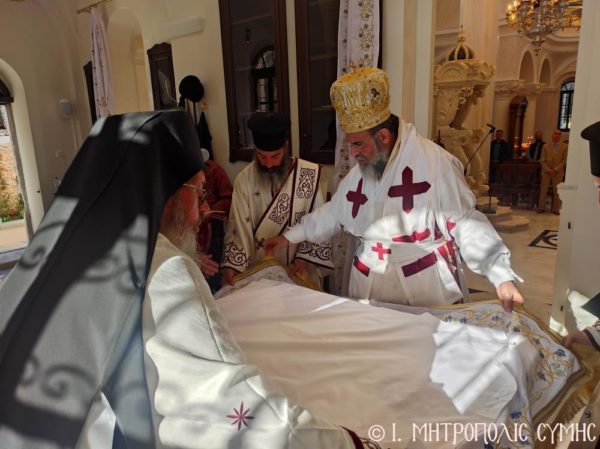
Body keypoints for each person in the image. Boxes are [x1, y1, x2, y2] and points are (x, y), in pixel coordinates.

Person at [0, 111, 373, 449]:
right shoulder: (163, 271)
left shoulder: (49, 251)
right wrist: (342, 441)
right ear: (165, 196)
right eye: (198, 193)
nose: (202, 213)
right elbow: (227, 403)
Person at [265, 67, 524, 311]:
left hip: (422, 286)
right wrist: (290, 237)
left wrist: (500, 275)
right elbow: (334, 212)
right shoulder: (362, 172)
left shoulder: (435, 163)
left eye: (358, 144)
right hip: (368, 284)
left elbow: (465, 222)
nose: (352, 153)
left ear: (383, 137)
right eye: (350, 145)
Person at [221, 112, 333, 287]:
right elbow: (237, 227)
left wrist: (304, 259)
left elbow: (319, 221)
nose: (268, 164)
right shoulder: (244, 180)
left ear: (286, 147)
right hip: (259, 270)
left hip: (297, 268)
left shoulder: (308, 175)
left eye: (275, 156)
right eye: (261, 156)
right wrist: (232, 266)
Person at [195, 147, 233, 292]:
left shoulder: (215, 171)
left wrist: (210, 209)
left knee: (213, 275)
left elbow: (229, 199)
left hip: (213, 231)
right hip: (189, 235)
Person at [537, 129, 568, 214]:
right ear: (552, 135)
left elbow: (564, 160)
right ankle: (541, 207)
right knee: (543, 190)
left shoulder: (565, 146)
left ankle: (556, 209)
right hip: (546, 172)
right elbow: (542, 160)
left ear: (560, 136)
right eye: (555, 133)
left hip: (558, 172)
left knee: (557, 191)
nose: (557, 135)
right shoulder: (545, 146)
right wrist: (548, 170)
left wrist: (555, 169)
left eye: (559, 134)